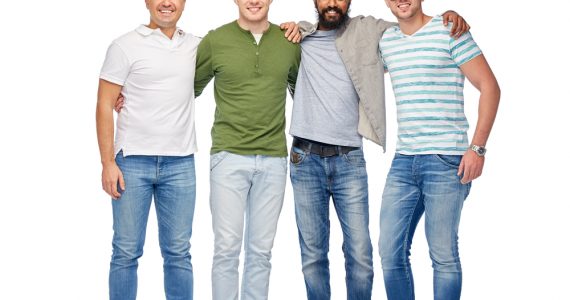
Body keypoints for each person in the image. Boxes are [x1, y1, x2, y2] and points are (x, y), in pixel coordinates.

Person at [285, 0, 468, 299]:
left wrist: (449, 17)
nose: (332, 3)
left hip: (349, 159)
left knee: (361, 256)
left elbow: (411, 26)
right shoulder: (297, 38)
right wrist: (296, 27)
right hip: (304, 159)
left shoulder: (369, 31)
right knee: (312, 257)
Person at [378, 0, 501, 299]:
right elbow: (348, 51)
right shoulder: (386, 41)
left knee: (443, 254)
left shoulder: (448, 29)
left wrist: (478, 148)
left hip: (446, 160)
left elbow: (490, 87)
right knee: (389, 254)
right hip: (403, 161)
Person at [193, 0, 301, 299]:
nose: (254, 1)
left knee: (261, 252)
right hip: (228, 157)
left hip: (274, 159)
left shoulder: (288, 41)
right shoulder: (216, 40)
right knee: (226, 250)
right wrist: (134, 97)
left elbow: (305, 90)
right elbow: (184, 88)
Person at [95, 0, 199, 299]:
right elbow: (104, 104)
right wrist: (107, 163)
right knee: (126, 251)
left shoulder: (197, 45)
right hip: (131, 163)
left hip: (180, 164)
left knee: (179, 253)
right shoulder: (124, 46)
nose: (167, 3)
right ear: (146, 2)